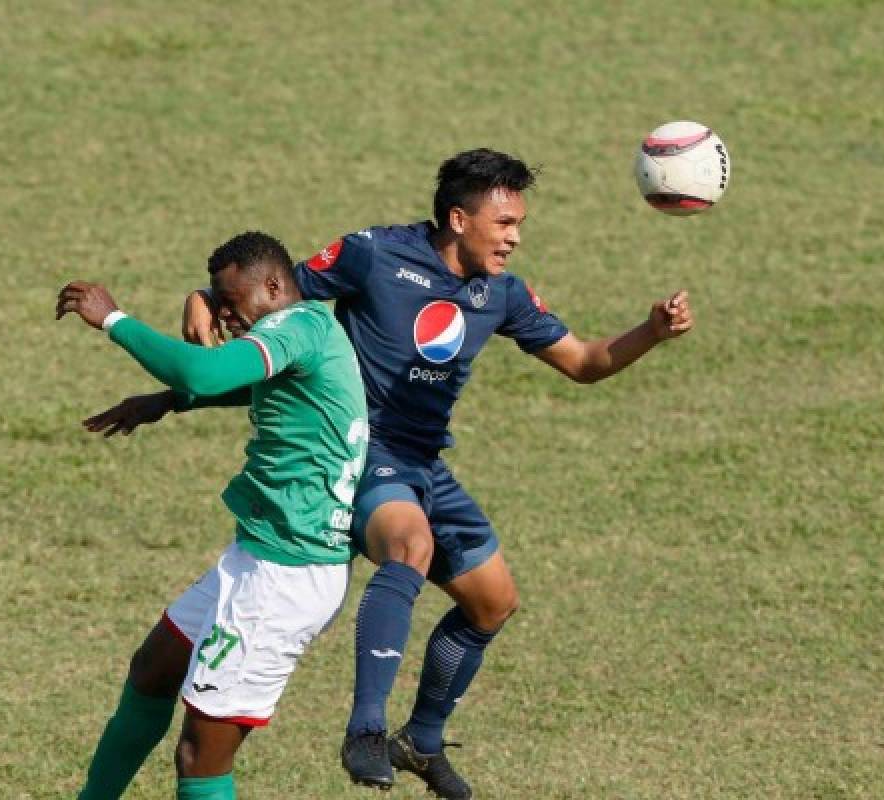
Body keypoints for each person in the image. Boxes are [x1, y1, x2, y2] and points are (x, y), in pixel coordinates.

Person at [181, 150, 695, 799]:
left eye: (520, 224)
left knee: (492, 601)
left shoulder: (501, 293)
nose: (514, 237)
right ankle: (365, 730)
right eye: (504, 222)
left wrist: (651, 331)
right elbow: (275, 286)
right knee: (410, 546)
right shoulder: (374, 255)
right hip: (361, 447)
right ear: (459, 218)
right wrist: (203, 296)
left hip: (424, 462)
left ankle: (420, 740)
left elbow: (586, 362)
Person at [59, 231, 369, 800]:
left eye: (232, 302)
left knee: (200, 757)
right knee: (153, 669)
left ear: (275, 286)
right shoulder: (308, 334)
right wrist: (168, 401)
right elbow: (239, 385)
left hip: (283, 580)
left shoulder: (296, 326)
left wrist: (113, 319)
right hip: (256, 558)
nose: (226, 316)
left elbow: (204, 372)